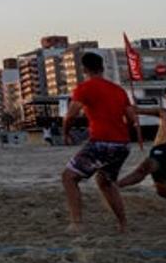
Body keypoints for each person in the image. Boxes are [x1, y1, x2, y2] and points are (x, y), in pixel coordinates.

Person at [61, 52, 143, 233]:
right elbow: (131, 118)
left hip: (101, 142)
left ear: (84, 69)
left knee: (69, 177)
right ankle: (123, 225)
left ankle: (76, 223)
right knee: (106, 182)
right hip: (122, 144)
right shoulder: (119, 90)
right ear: (103, 68)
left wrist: (66, 133)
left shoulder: (85, 88)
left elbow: (70, 115)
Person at [117, 86, 166, 206]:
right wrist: (132, 107)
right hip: (157, 151)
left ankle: (115, 186)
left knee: (145, 167)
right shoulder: (162, 112)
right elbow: (136, 110)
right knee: (162, 191)